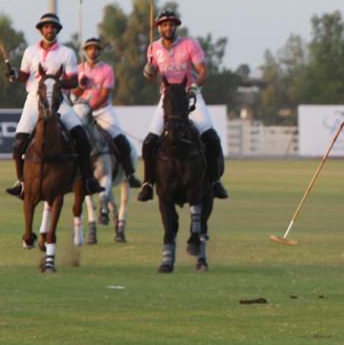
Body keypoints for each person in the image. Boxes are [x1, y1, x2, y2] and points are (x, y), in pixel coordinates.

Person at [4, 13, 102, 198]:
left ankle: (88, 180)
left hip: (59, 100)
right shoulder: (30, 52)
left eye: (53, 27)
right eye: (46, 27)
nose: (50, 30)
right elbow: (24, 76)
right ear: (41, 30)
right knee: (18, 144)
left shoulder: (67, 53)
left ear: (57, 30)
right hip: (34, 99)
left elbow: (73, 81)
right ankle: (21, 182)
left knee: (81, 136)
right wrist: (14, 75)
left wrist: (53, 85)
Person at [138, 10, 228, 202]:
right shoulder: (153, 49)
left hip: (189, 96)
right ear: (159, 27)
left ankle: (214, 181)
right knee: (149, 143)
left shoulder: (189, 44)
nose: (168, 27)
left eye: (171, 24)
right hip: (168, 99)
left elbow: (202, 70)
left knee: (211, 138)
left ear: (176, 26)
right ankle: (147, 184)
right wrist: (148, 71)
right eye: (164, 24)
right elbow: (151, 75)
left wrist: (195, 87)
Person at [73, 37, 143, 187]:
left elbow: (105, 94)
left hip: (102, 110)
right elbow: (74, 93)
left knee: (120, 139)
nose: (93, 51)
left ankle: (130, 174)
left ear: (99, 51)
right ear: (85, 51)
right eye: (90, 48)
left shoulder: (107, 69)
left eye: (96, 48)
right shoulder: (79, 70)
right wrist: (81, 85)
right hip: (80, 111)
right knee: (70, 137)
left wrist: (90, 108)